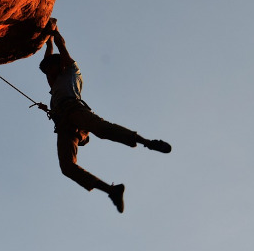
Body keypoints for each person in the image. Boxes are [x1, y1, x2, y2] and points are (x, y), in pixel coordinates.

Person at [39, 19, 171, 213]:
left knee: (101, 129)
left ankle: (147, 142)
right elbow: (50, 54)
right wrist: (48, 39)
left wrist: (54, 31)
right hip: (65, 125)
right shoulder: (55, 81)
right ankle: (111, 190)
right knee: (67, 167)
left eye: (49, 69)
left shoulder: (71, 72)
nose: (47, 74)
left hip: (75, 111)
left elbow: (61, 46)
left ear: (59, 66)